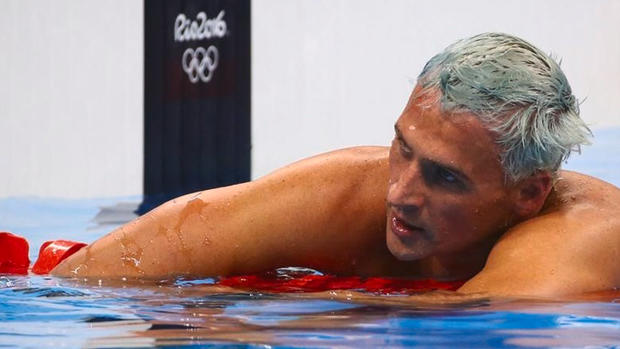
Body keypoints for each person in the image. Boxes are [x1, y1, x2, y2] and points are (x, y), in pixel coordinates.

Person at [52, 33, 620, 298]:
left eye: (444, 176)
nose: (400, 192)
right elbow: (94, 275)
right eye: (403, 148)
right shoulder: (346, 193)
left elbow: (471, 326)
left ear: (527, 193)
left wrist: (272, 307)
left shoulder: (578, 240)